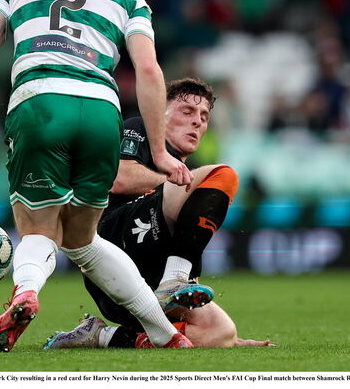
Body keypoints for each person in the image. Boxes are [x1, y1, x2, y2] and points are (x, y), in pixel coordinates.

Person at [0, 0, 196, 353]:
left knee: (38, 229)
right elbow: (148, 71)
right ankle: (163, 333)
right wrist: (160, 152)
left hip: (41, 101)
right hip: (102, 110)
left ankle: (25, 291)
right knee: (82, 239)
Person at [45, 78, 272, 349]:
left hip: (137, 291)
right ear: (160, 113)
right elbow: (119, 177)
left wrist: (233, 341)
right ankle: (173, 280)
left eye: (203, 116)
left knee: (219, 332)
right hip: (110, 244)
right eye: (186, 111)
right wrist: (176, 180)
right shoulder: (137, 128)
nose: (197, 121)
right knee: (223, 175)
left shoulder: (190, 171)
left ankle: (100, 335)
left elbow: (187, 243)